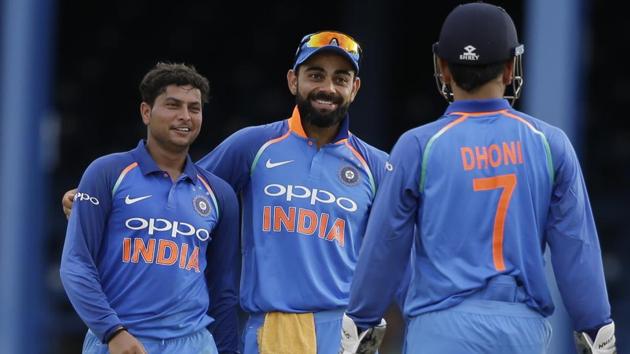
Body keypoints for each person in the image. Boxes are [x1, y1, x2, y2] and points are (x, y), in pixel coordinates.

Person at [63, 31, 395, 353]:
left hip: (344, 332)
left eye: (340, 78)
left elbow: (402, 246)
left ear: (356, 88)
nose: (328, 88)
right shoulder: (253, 144)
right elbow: (182, 189)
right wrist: (98, 200)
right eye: (316, 75)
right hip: (270, 328)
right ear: (294, 80)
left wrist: (369, 318)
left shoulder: (377, 165)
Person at [342, 3, 617, 354]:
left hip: (440, 328)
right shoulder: (549, 143)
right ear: (508, 68)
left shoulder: (418, 146)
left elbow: (385, 246)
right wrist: (595, 326)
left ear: (443, 68)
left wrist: (361, 320)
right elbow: (576, 248)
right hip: (522, 332)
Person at [60, 63, 240, 354]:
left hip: (194, 344)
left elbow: (223, 290)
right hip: (121, 340)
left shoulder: (219, 193)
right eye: (173, 105)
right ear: (146, 112)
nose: (185, 116)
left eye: (194, 108)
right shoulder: (106, 172)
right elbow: (76, 264)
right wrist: (112, 331)